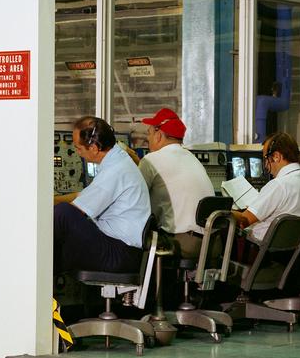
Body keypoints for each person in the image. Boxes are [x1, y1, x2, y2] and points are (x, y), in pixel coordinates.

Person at [53, 115, 150, 279]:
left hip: (120, 253)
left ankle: (36, 283)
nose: (77, 153)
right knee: (60, 249)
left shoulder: (115, 170)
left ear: (94, 148)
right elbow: (84, 196)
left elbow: (75, 210)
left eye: (78, 148)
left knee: (63, 213)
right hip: (121, 248)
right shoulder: (118, 160)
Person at [137, 107, 214, 256]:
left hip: (182, 243)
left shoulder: (151, 160)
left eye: (149, 133)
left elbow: (133, 198)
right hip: (211, 244)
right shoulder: (192, 159)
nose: (148, 139)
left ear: (158, 135)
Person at [231, 131, 300, 243]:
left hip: (262, 252)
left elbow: (245, 220)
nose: (266, 165)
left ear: (276, 157)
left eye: (266, 158)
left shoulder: (279, 185)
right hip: (297, 252)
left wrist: (225, 211)